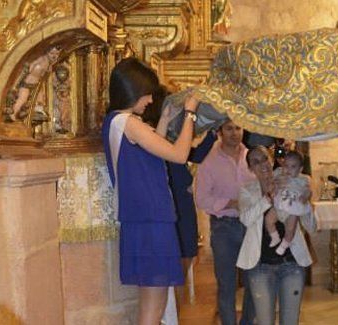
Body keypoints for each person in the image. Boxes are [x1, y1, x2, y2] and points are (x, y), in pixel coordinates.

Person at [101, 57, 198, 325]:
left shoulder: (118, 122)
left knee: (152, 306)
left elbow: (152, 156)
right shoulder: (127, 123)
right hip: (151, 221)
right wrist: (191, 113)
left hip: (144, 220)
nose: (150, 101)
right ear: (133, 90)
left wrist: (165, 120)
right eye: (147, 94)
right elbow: (179, 155)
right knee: (152, 311)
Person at [142, 86, 218, 286]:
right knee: (174, 259)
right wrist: (189, 115)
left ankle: (173, 306)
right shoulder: (153, 134)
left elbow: (196, 155)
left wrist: (213, 131)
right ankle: (170, 306)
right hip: (170, 201)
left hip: (182, 201)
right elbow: (181, 156)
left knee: (187, 254)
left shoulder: (171, 136)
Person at [237, 146, 316, 325]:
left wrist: (305, 205)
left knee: (290, 321)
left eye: (265, 159)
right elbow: (246, 219)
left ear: (272, 159)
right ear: (250, 168)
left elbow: (312, 227)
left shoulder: (293, 181)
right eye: (255, 162)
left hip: (292, 264)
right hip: (260, 266)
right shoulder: (247, 191)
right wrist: (268, 198)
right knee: (265, 321)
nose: (262, 165)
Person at [194, 120, 255, 325]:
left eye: (238, 128)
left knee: (253, 282)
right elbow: (201, 198)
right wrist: (230, 202)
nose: (235, 133)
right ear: (220, 131)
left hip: (251, 227)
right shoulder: (209, 161)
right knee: (226, 284)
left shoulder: (252, 158)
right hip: (224, 228)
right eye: (229, 128)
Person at [267, 150, 312, 255]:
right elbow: (271, 183)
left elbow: (307, 191)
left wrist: (305, 196)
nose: (288, 169)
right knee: (268, 219)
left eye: (293, 167)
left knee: (290, 228)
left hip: (293, 207)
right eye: (286, 165)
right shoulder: (279, 172)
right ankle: (275, 237)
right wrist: (275, 184)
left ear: (300, 169)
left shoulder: (303, 179)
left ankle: (285, 244)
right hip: (279, 205)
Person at [6, 46, 61, 122]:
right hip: (26, 84)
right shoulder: (39, 60)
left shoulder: (49, 64)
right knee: (22, 100)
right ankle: (12, 116)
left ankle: (37, 112)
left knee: (41, 100)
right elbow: (26, 69)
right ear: (47, 52)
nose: (54, 56)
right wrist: (15, 85)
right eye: (52, 53)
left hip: (36, 86)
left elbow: (44, 76)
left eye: (57, 54)